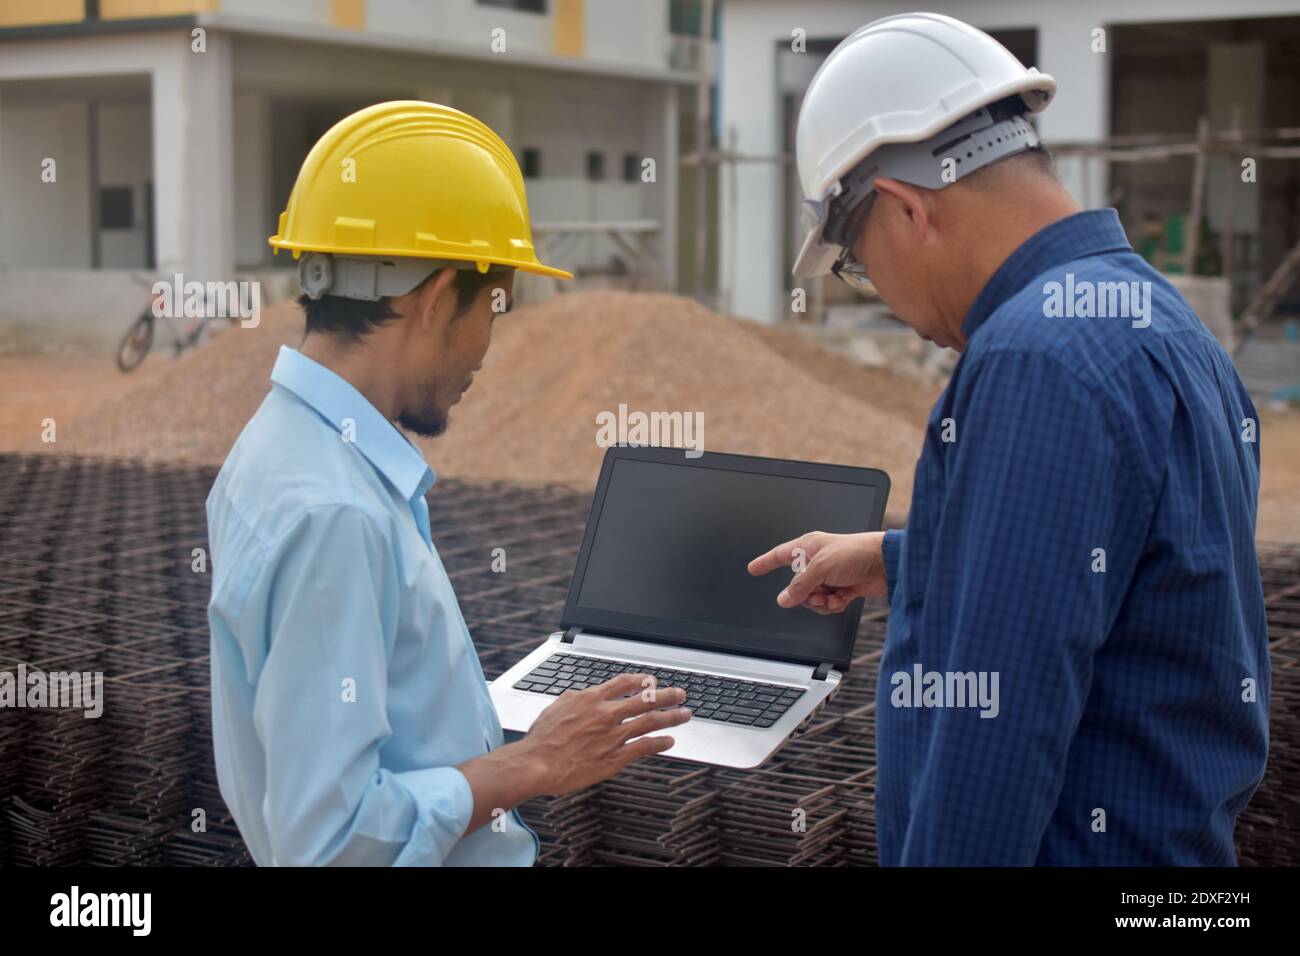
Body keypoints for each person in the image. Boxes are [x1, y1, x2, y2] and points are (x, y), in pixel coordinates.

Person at [749, 13, 1269, 865]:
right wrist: (902, 557)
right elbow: (1129, 570)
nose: (882, 297)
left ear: (906, 209)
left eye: (858, 264)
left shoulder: (1036, 357)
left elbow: (995, 737)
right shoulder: (1159, 321)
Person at [206, 101, 689, 866]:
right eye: (493, 312)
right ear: (434, 298)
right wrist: (533, 763)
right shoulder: (333, 513)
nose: (486, 350)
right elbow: (327, 846)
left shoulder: (282, 450)